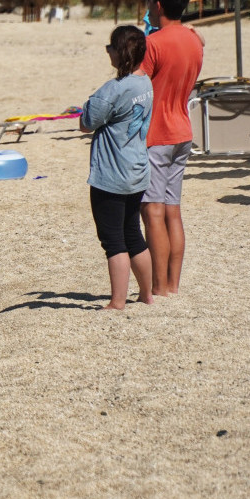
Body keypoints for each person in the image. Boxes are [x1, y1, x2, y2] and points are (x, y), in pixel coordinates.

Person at [80, 26, 155, 310]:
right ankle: (146, 295)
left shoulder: (113, 89)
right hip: (137, 170)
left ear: (119, 52)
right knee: (133, 233)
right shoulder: (145, 83)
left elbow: (86, 123)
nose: (107, 51)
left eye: (110, 46)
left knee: (114, 241)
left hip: (111, 175)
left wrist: (89, 103)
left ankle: (117, 301)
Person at [139, 0, 204, 297]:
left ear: (159, 3)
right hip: (182, 130)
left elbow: (136, 87)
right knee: (172, 210)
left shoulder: (153, 44)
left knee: (152, 211)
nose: (148, 3)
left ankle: (159, 286)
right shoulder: (194, 40)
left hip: (156, 133)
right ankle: (172, 285)